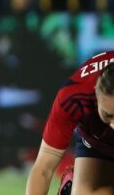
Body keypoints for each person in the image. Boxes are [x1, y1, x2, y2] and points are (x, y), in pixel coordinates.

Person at [26, 51, 114, 195]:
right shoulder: (73, 97)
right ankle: (71, 187)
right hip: (97, 136)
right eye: (108, 115)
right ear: (96, 96)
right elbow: (44, 167)